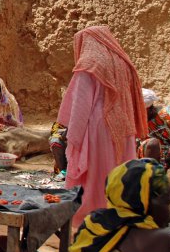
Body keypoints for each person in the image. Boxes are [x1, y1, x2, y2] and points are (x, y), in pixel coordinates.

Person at [57, 26, 147, 228]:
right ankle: (121, 219)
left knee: (97, 178)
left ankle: (92, 220)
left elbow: (81, 106)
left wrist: (72, 138)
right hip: (124, 127)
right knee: (121, 175)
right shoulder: (123, 62)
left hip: (99, 130)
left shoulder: (89, 64)